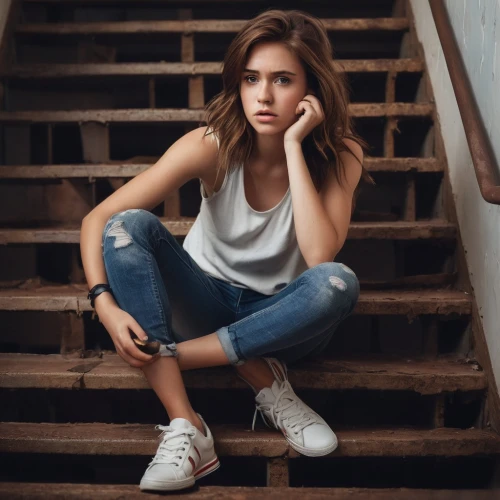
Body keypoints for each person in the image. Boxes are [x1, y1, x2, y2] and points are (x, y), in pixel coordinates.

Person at [80, 9, 370, 492]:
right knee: (129, 227)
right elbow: (98, 221)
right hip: (204, 302)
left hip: (283, 318)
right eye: (251, 78)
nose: (263, 95)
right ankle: (189, 425)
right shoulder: (212, 145)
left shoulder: (341, 153)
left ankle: (174, 356)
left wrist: (295, 145)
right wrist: (105, 307)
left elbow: (320, 255)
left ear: (311, 89)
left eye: (282, 79)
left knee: (338, 283)